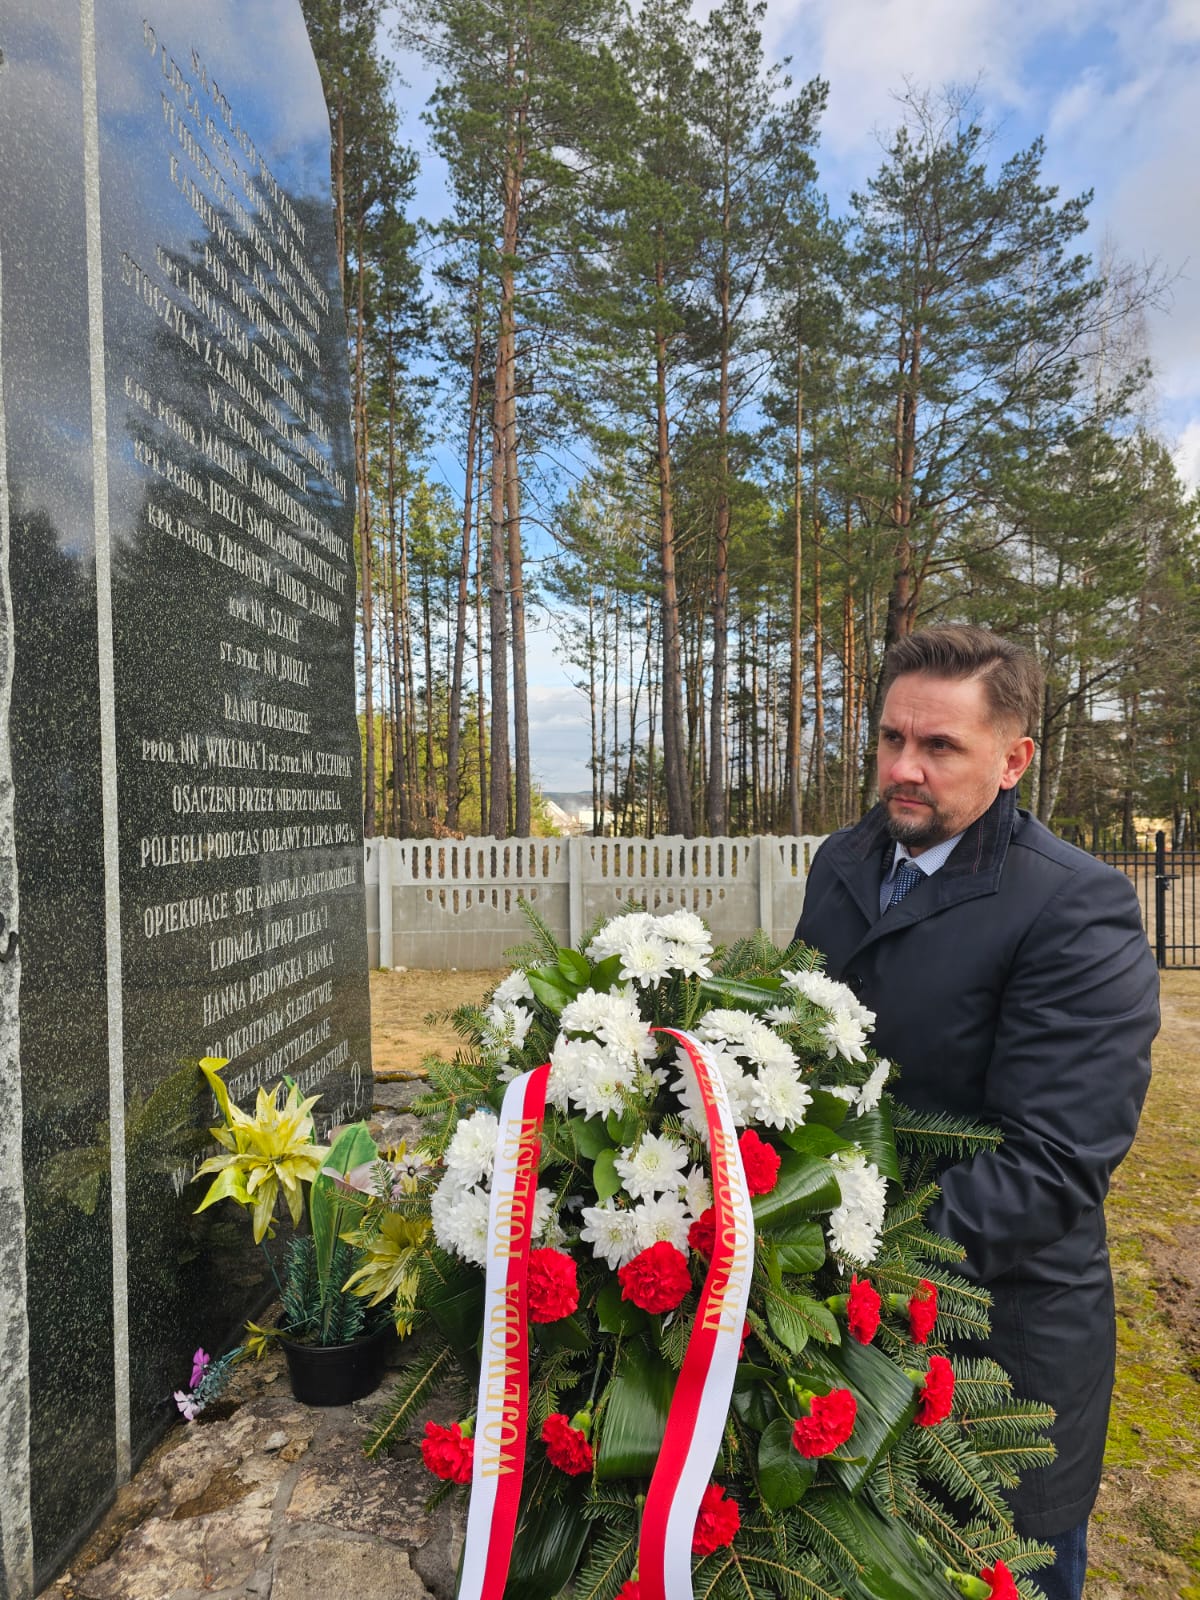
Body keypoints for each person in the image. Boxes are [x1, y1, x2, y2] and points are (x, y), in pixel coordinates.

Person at [796, 625, 1159, 1600]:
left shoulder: (1074, 909)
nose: (903, 768)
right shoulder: (844, 861)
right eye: (891, 738)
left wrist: (846, 1255)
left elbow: (1053, 1161)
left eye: (940, 746)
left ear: (1013, 759)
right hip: (832, 1333)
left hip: (995, 1354)